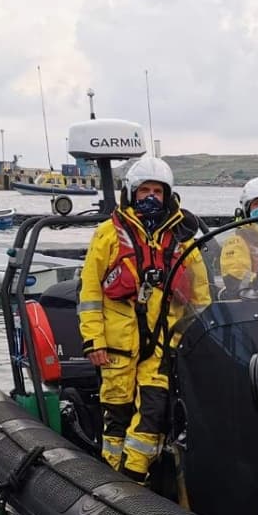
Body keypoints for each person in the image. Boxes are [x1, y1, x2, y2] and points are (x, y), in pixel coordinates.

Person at [78, 155, 211, 481]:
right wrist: (94, 341)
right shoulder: (107, 235)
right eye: (144, 190)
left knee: (153, 412)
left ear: (168, 196)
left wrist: (183, 340)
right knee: (117, 415)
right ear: (131, 193)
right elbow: (90, 296)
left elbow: (201, 298)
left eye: (158, 191)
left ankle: (135, 477)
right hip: (117, 347)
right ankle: (111, 475)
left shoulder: (183, 241)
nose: (151, 197)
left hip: (162, 345)